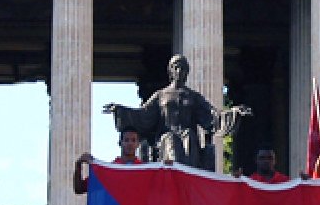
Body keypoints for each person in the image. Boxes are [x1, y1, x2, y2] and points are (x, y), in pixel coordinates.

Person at [103, 54, 249, 171]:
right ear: (171, 71)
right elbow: (143, 115)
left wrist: (233, 112)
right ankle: (173, 173)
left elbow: (212, 116)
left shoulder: (193, 97)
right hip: (166, 139)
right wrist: (120, 110)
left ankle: (187, 175)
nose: (180, 71)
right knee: (171, 139)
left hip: (189, 140)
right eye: (176, 68)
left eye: (183, 68)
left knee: (189, 137)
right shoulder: (161, 95)